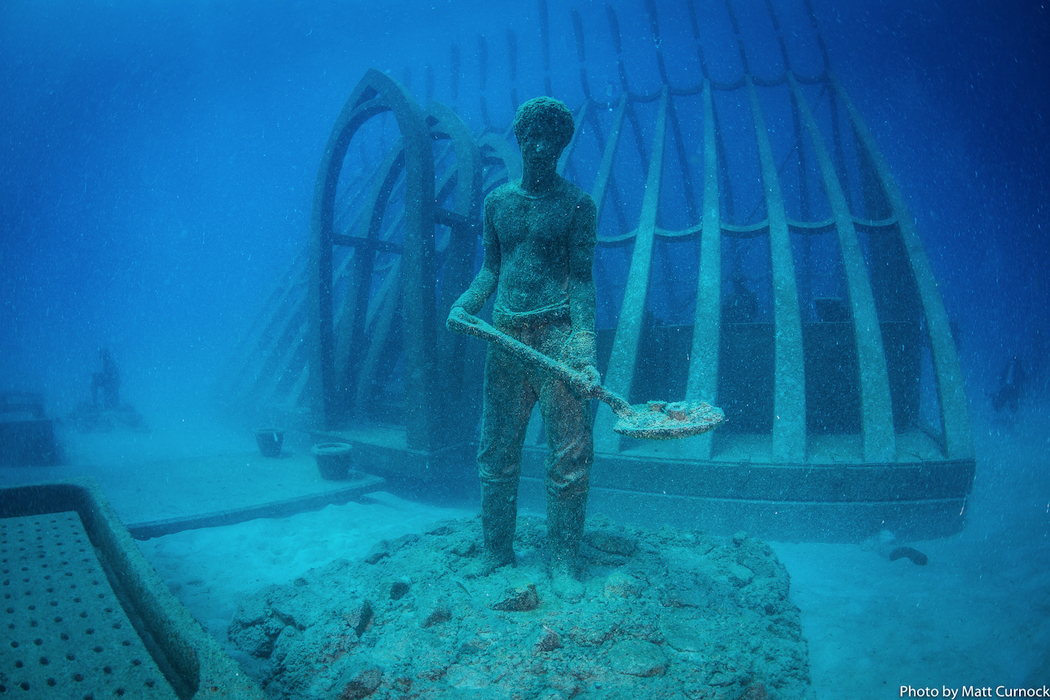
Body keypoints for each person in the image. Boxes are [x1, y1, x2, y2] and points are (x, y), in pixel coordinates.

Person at [447, 97, 599, 600]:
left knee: (570, 456)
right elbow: (492, 268)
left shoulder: (578, 206)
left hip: (557, 338)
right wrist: (466, 303)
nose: (539, 147)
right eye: (530, 137)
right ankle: (496, 550)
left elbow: (581, 281)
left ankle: (564, 562)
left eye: (550, 139)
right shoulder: (499, 203)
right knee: (497, 451)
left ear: (561, 144)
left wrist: (583, 347)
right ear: (518, 141)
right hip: (506, 336)